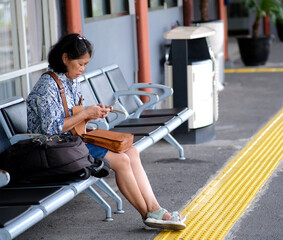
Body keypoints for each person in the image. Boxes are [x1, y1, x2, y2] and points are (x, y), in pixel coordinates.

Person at [26, 33, 186, 231]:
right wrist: (85, 113)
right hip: (51, 152)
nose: (83, 70)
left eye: (86, 64)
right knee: (121, 160)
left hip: (70, 143)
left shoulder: (70, 80)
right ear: (65, 58)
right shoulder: (47, 86)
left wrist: (91, 114)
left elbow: (72, 118)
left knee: (132, 152)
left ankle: (155, 209)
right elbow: (51, 129)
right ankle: (148, 215)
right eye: (80, 64)